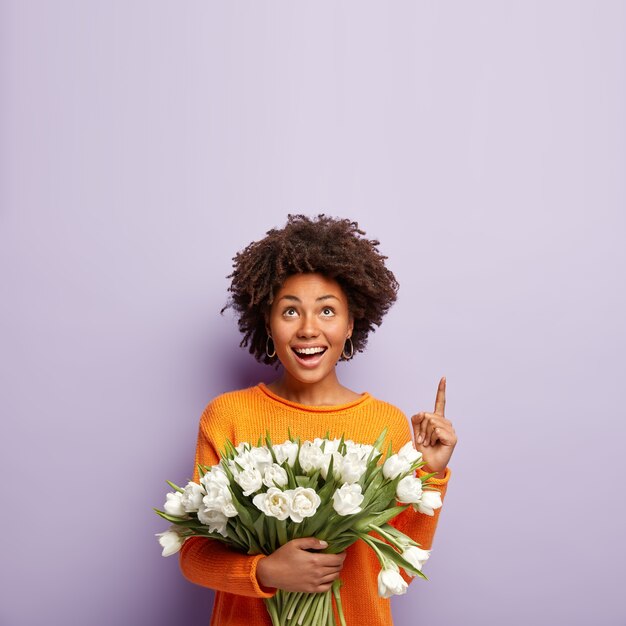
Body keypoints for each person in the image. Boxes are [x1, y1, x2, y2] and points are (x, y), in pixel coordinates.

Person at [179, 214, 457, 626]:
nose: (309, 329)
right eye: (290, 312)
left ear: (350, 325)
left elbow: (396, 568)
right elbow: (193, 555)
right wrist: (265, 572)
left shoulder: (385, 423)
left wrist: (430, 474)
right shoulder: (228, 416)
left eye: (327, 311)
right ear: (268, 324)